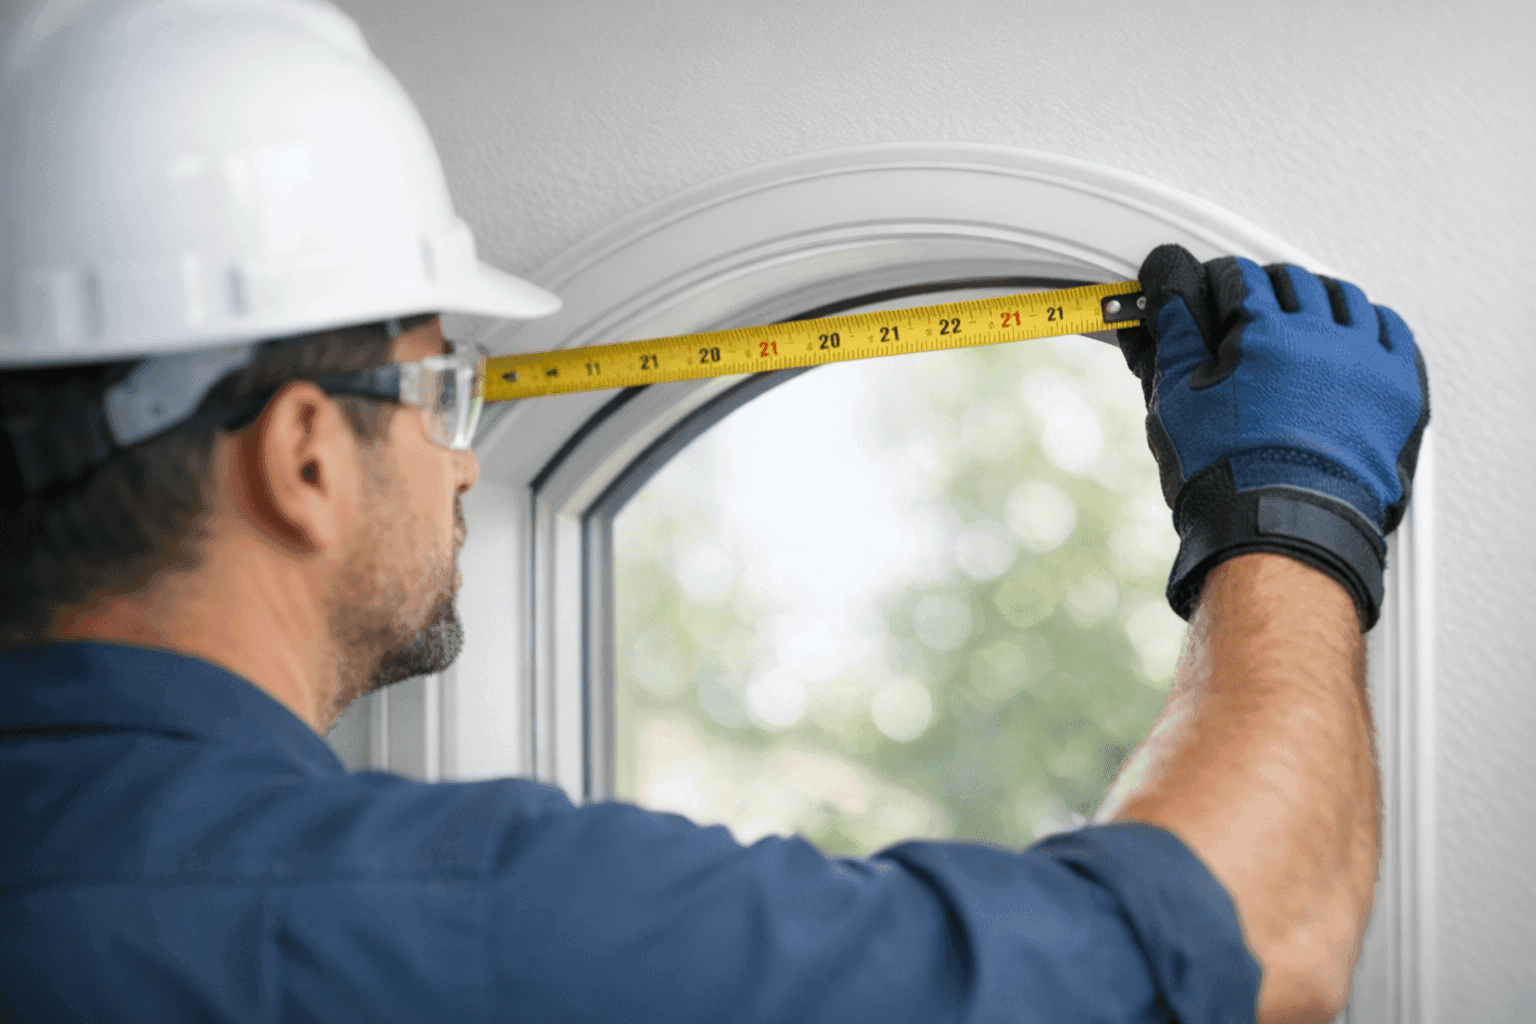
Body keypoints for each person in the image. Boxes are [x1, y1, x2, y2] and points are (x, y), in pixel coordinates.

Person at [0, 1, 1429, 1022]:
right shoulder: (439, 914)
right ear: (304, 457)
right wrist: (1291, 508)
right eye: (447, 392)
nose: (464, 464)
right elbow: (1251, 943)